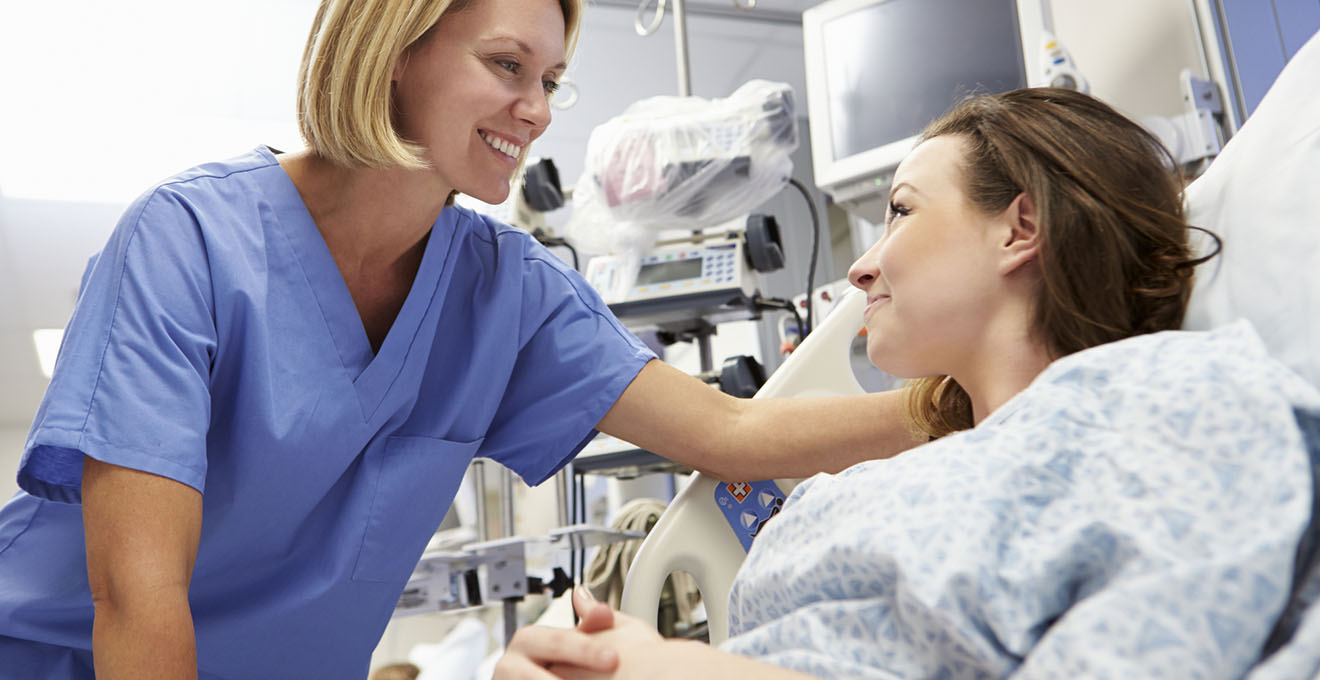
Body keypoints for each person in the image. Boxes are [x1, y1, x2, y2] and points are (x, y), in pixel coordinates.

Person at [0, 0, 920, 678]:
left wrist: (962, 402)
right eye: (508, 65)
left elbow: (731, 433)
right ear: (395, 51)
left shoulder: (505, 291)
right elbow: (139, 596)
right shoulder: (188, 241)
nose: (538, 109)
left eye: (550, 81)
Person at [496, 88, 1320, 678]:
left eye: (900, 209)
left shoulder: (1174, 406)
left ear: (1021, 227)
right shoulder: (858, 493)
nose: (860, 268)